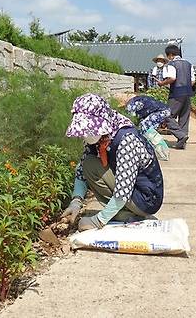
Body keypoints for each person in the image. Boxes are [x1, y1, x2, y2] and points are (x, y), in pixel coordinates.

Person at [61, 93, 164, 231]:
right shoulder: (101, 136)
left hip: (145, 198)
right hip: (130, 190)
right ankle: (123, 214)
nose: (86, 135)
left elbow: (123, 190)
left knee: (91, 165)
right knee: (88, 164)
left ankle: (132, 214)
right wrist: (76, 202)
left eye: (89, 129)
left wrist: (98, 221)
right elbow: (82, 168)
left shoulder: (126, 139)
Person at [157, 44, 195, 149]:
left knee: (166, 115)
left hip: (176, 94)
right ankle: (182, 142)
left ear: (170, 55)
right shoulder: (188, 64)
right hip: (187, 94)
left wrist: (162, 83)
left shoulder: (171, 64)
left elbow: (172, 78)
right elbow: (193, 81)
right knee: (184, 118)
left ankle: (181, 136)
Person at [121, 93, 171, 161]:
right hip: (165, 110)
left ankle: (161, 152)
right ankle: (161, 151)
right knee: (147, 129)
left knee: (145, 128)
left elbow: (131, 120)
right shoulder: (140, 99)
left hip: (161, 112)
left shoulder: (131, 104)